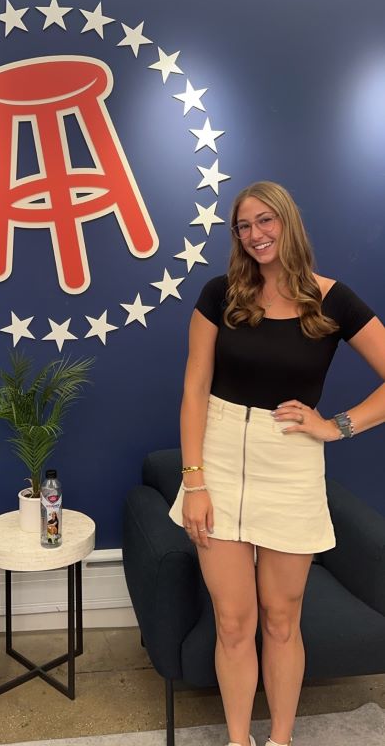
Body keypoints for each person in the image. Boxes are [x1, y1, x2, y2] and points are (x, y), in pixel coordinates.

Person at [169, 181, 385, 746]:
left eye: (266, 221)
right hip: (216, 459)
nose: (257, 234)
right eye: (244, 226)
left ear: (288, 222)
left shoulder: (333, 300)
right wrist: (194, 481)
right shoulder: (221, 293)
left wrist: (335, 425)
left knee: (281, 618)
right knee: (233, 621)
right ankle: (239, 740)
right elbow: (194, 389)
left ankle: (281, 739)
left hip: (290, 468)